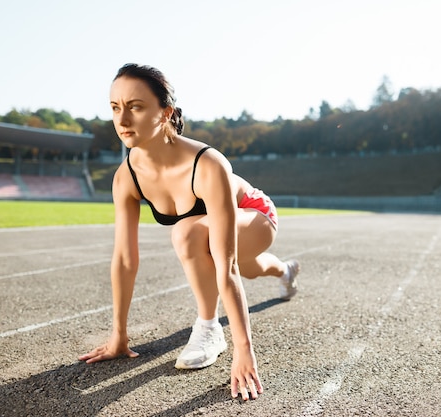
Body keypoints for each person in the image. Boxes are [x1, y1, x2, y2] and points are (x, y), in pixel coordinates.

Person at [79, 63, 300, 401]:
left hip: (255, 215)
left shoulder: (208, 164)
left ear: (165, 112)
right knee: (253, 267)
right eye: (115, 107)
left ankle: (209, 329)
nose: (122, 120)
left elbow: (226, 268)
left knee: (189, 234)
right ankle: (284, 271)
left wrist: (244, 348)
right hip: (218, 235)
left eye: (135, 107)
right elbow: (124, 259)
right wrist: (118, 336)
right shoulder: (127, 176)